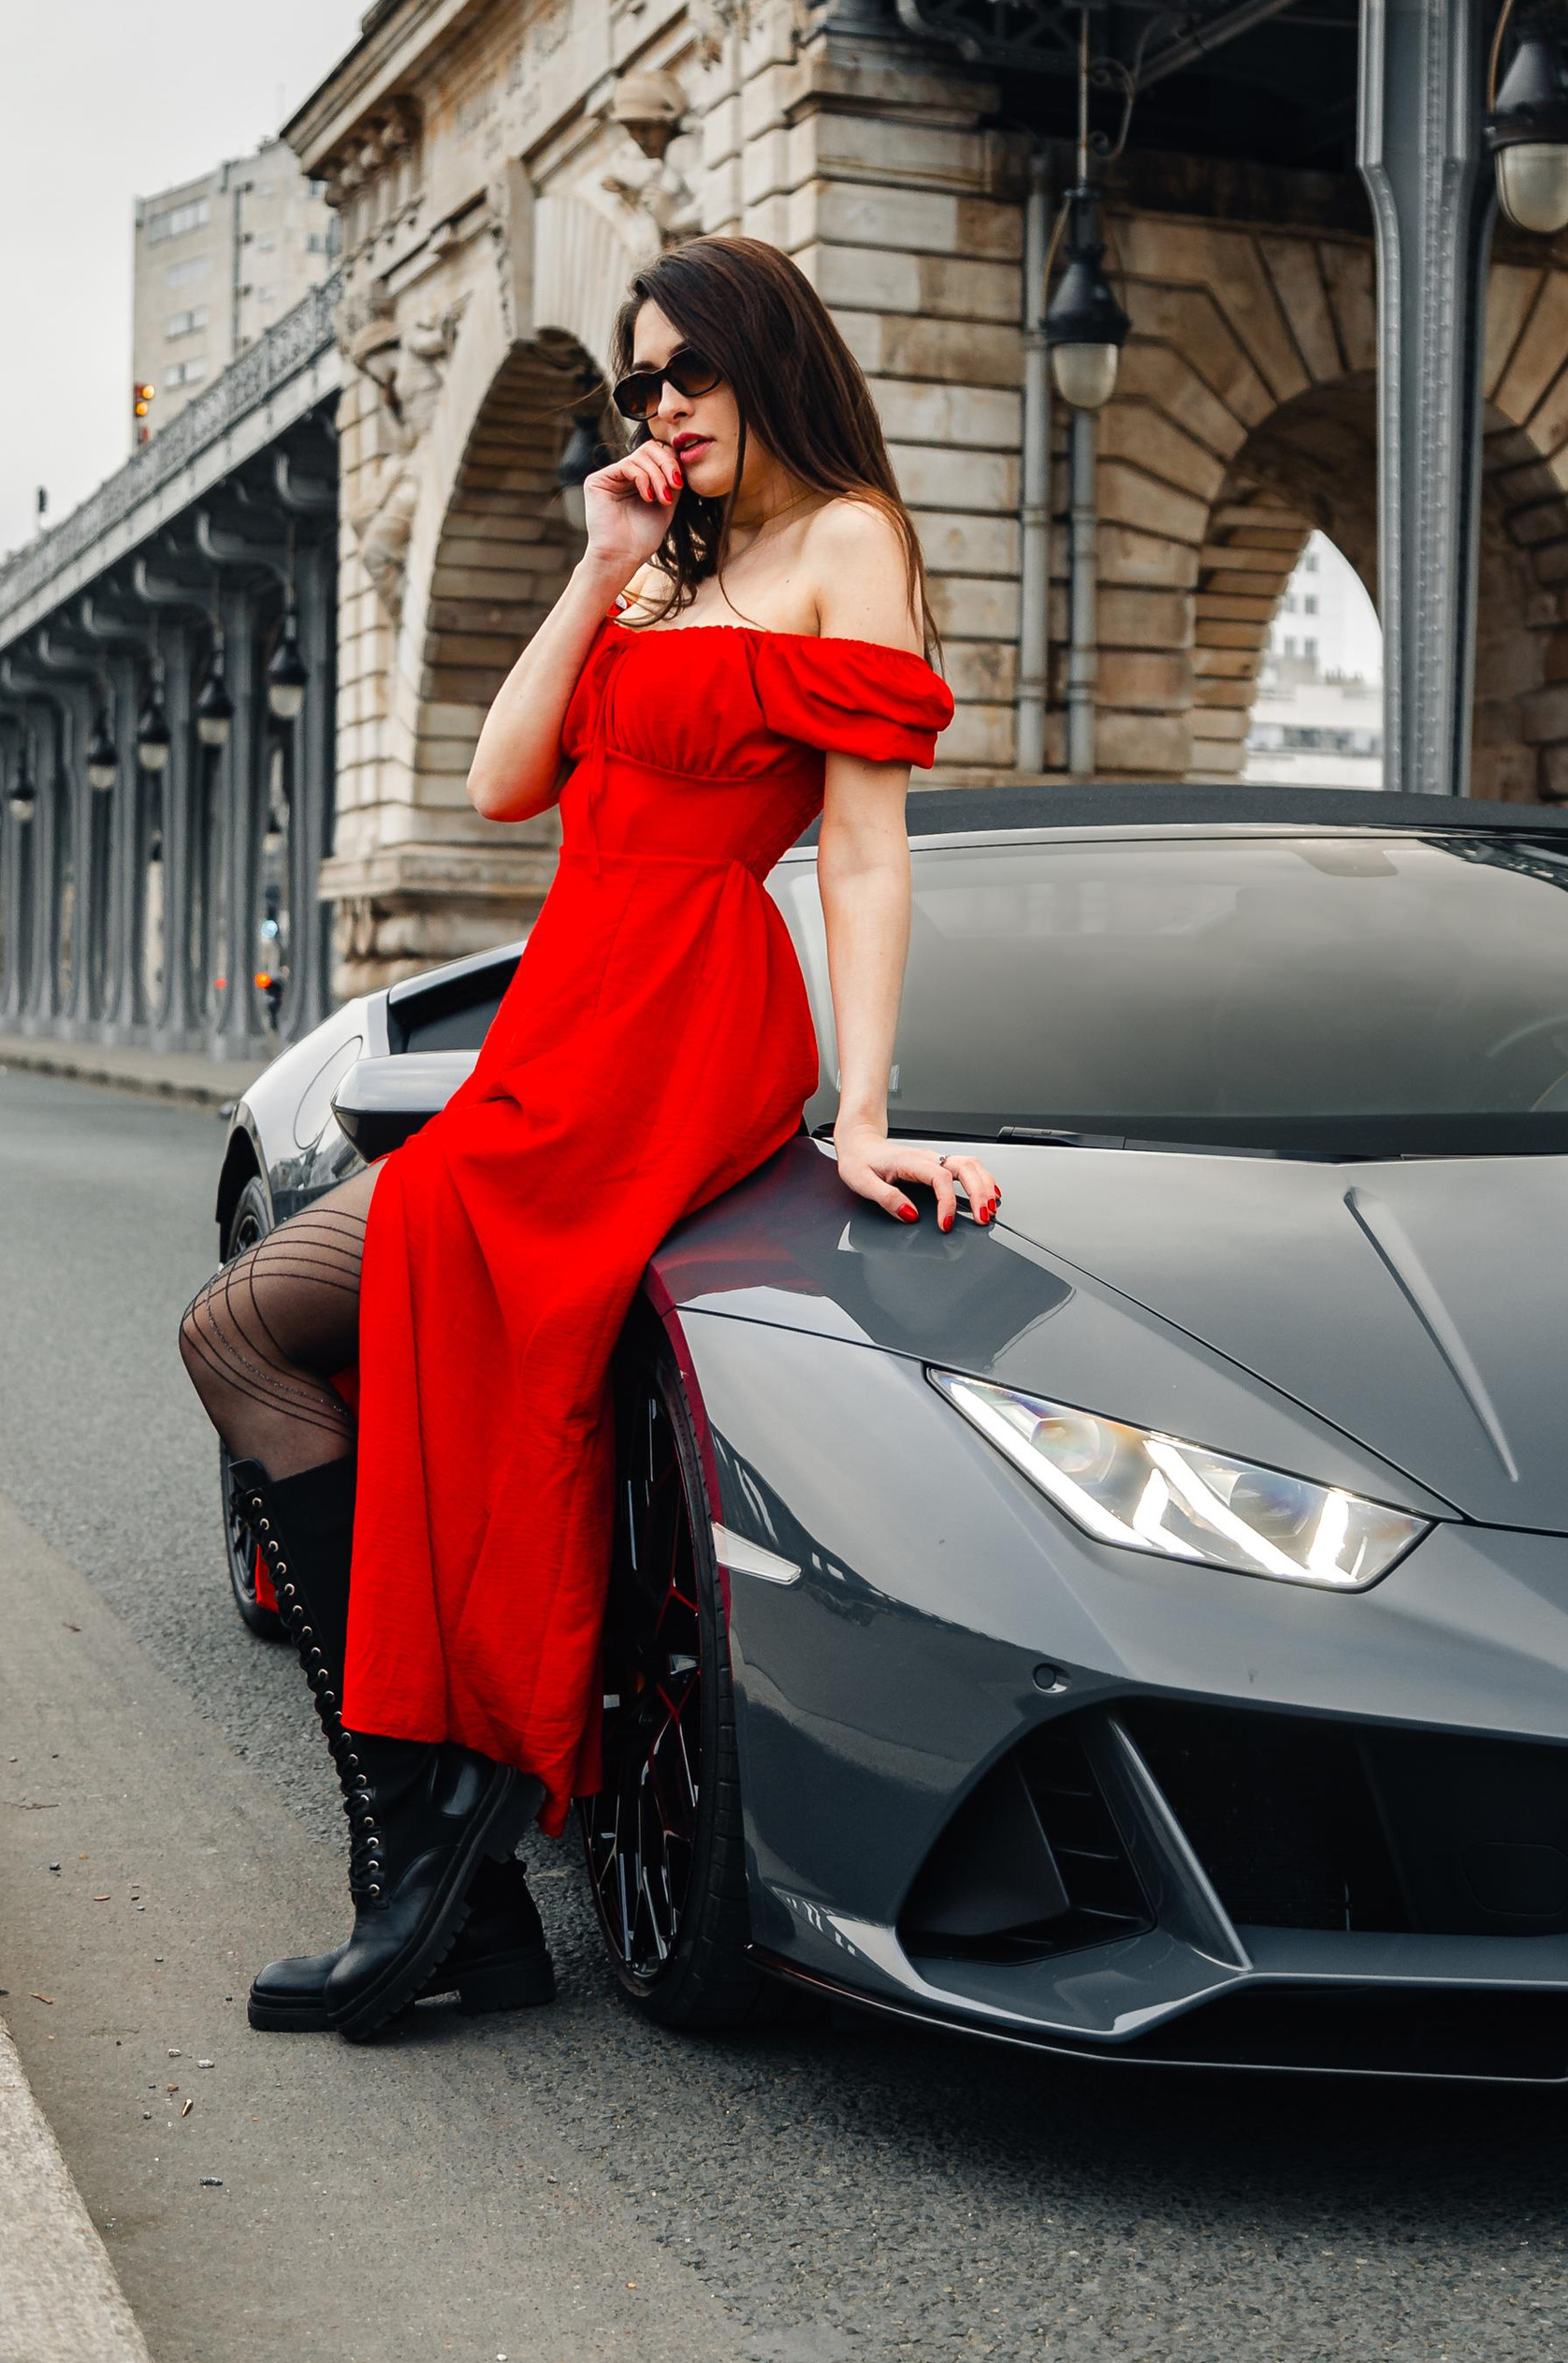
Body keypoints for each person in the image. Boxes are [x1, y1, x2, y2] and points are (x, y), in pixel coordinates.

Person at [179, 238, 1002, 2040]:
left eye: (689, 373)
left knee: (286, 1325)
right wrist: (599, 565)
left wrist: (865, 1113)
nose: (662, 408)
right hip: (562, 1014)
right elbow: (500, 782)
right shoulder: (661, 571)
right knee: (246, 1335)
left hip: (676, 1022)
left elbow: (866, 850)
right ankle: (441, 1855)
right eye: (639, 383)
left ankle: (435, 1864)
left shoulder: (849, 541)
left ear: (768, 361)